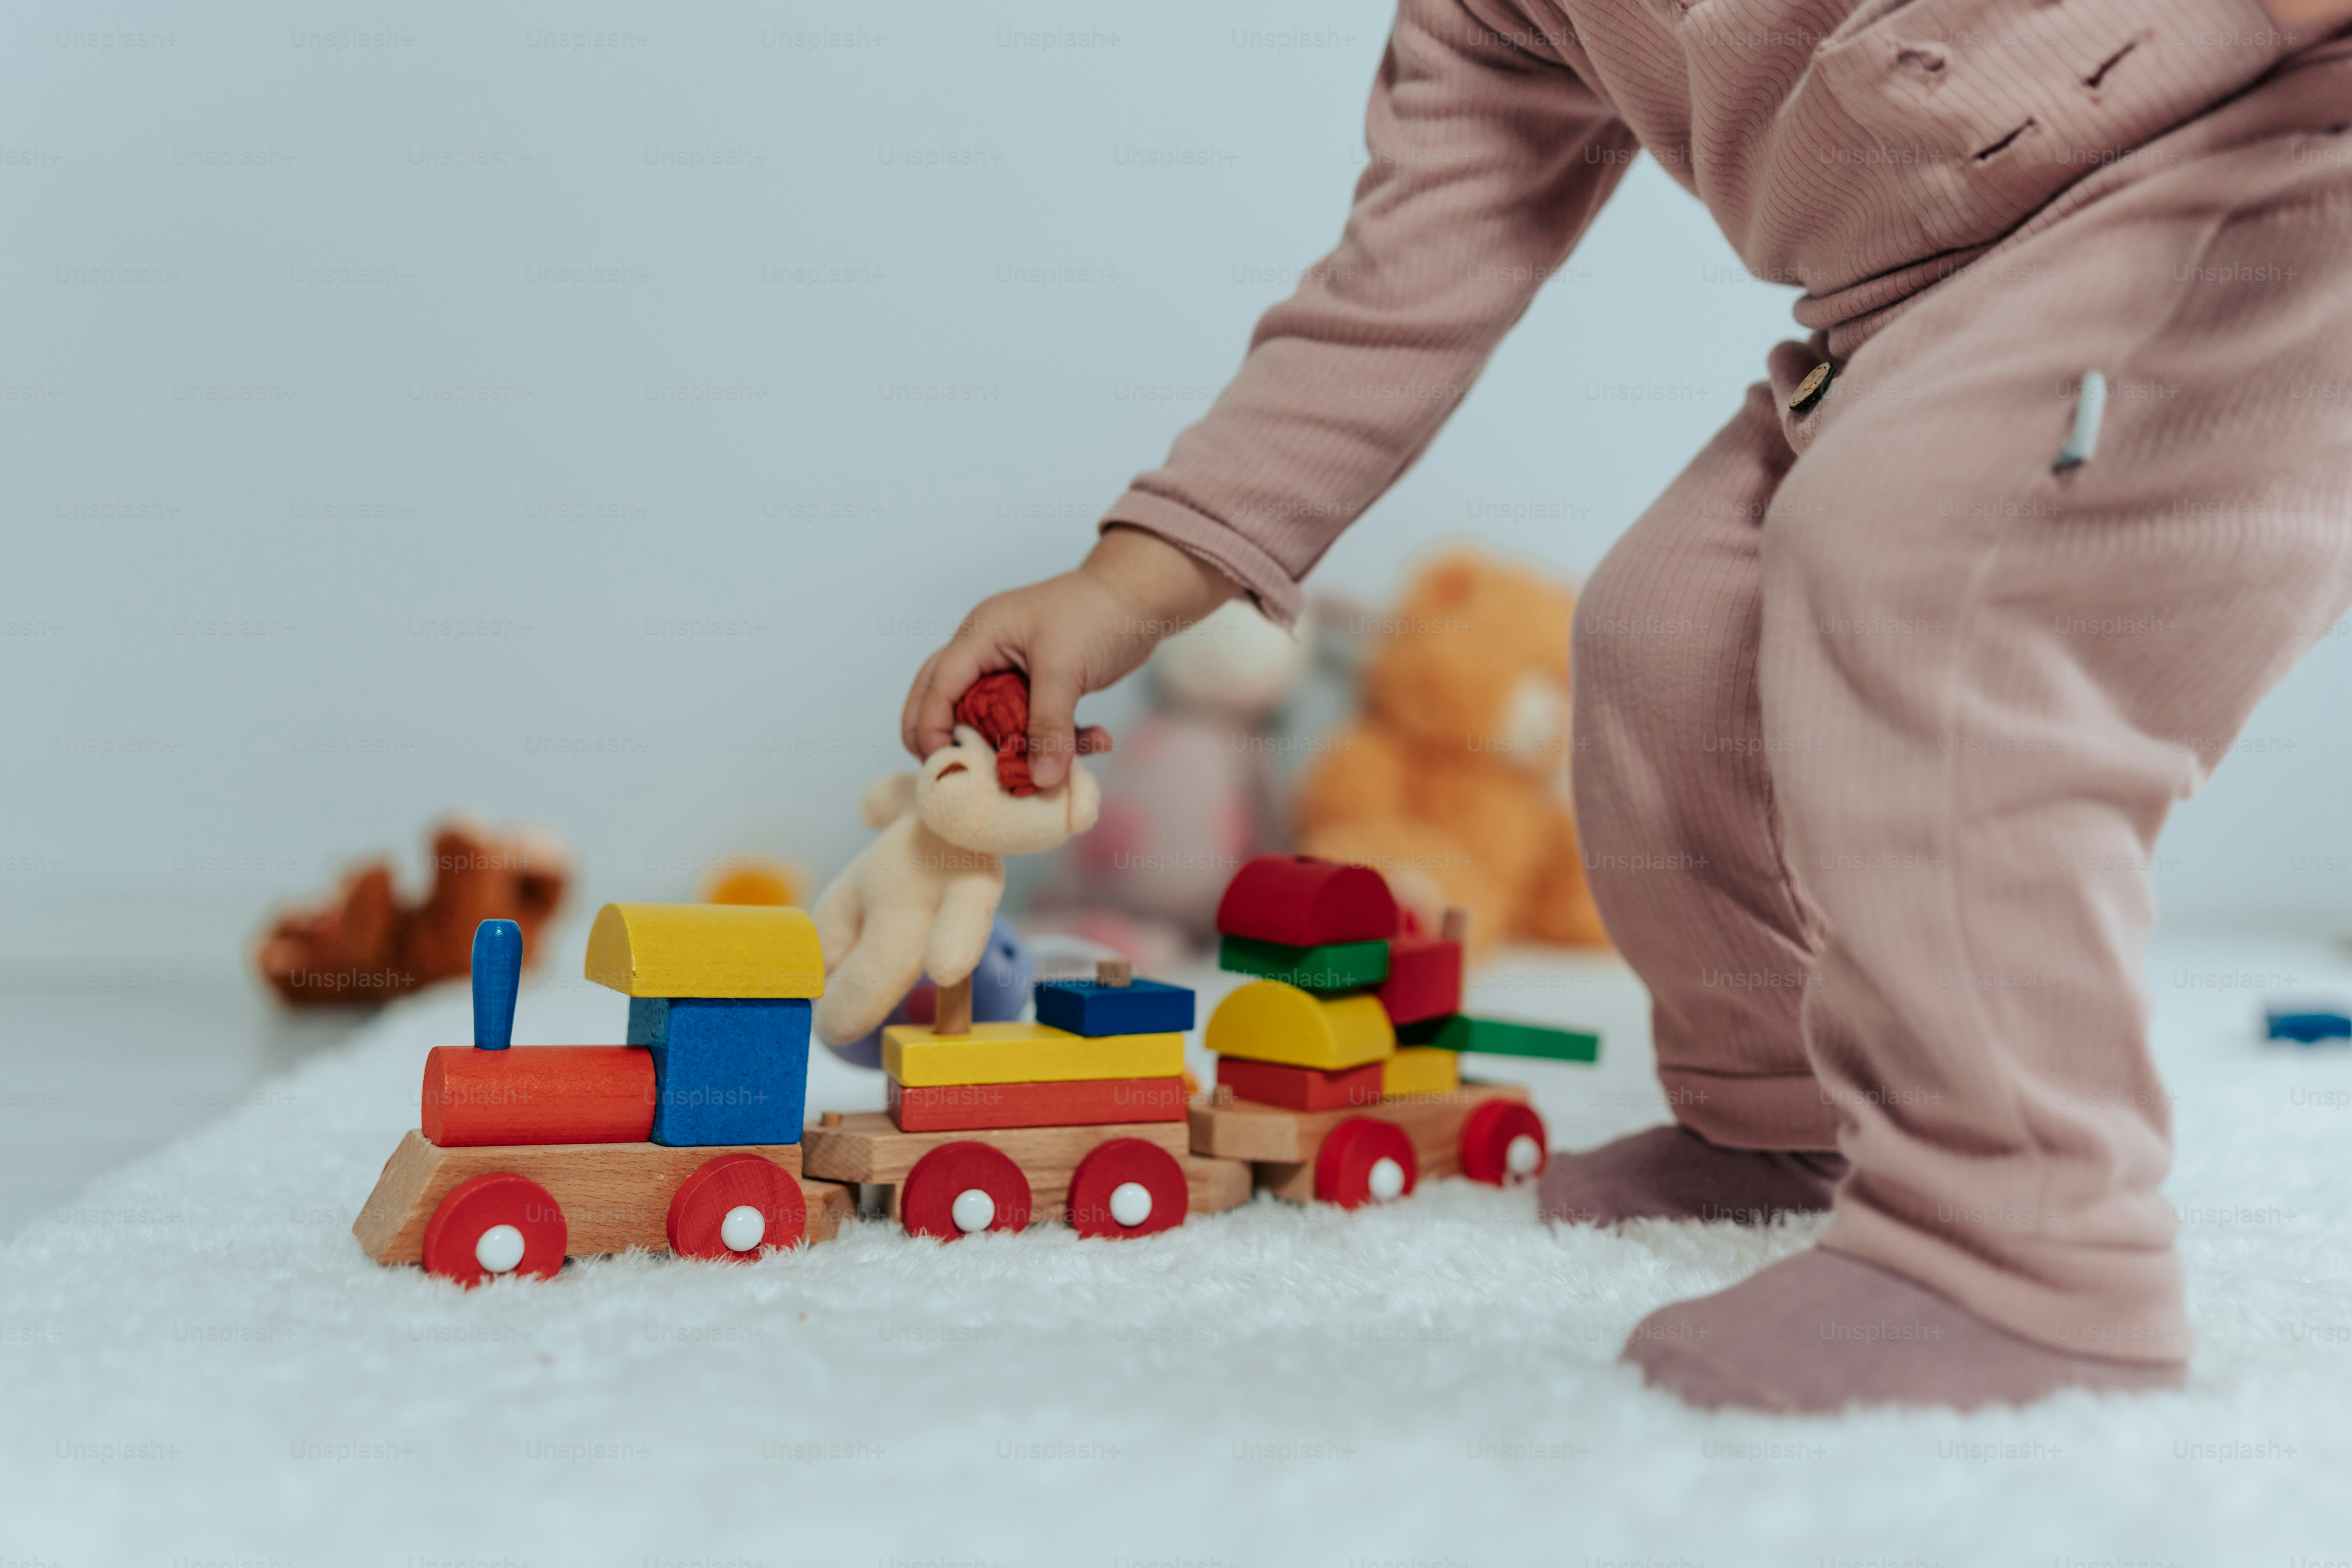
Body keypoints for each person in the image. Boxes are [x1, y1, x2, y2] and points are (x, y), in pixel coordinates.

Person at [901, 0, 2352, 1412]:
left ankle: (2029, 1244)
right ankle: (1779, 1116)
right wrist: (1123, 586)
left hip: (2234, 182)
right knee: (1669, 633)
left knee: (1926, 578)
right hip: (1907, 322)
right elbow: (1395, 297)